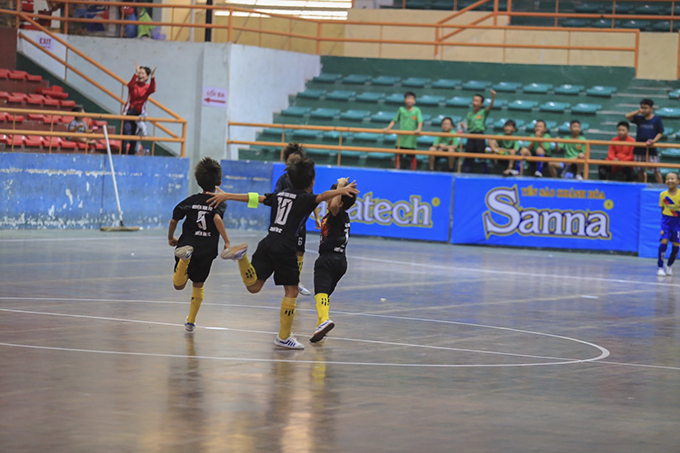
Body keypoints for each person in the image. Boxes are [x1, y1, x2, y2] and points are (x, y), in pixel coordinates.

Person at [207, 157, 360, 350]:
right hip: (285, 247)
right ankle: (283, 337)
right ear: (311, 182)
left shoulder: (280, 195)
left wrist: (228, 195)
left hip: (268, 242)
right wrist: (341, 188)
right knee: (292, 291)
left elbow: (257, 198)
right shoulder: (305, 199)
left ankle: (242, 257)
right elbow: (323, 198)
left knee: (254, 286)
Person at [167, 157, 245, 332]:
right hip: (207, 248)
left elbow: (174, 220)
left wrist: (171, 237)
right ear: (219, 182)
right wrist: (226, 241)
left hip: (187, 243)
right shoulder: (219, 202)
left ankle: (184, 260)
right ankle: (191, 320)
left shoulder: (190, 200)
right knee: (198, 283)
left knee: (178, 285)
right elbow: (216, 218)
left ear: (198, 180)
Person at [311, 177, 357, 343]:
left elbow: (334, 205)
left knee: (321, 292)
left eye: (334, 195)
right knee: (325, 296)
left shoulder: (336, 213)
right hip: (340, 261)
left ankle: (324, 321)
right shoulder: (340, 217)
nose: (329, 198)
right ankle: (320, 326)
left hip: (328, 259)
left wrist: (340, 186)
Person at [273, 143, 322, 296]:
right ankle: (289, 280)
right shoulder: (283, 181)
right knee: (286, 252)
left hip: (300, 224)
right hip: (286, 225)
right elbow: (275, 200)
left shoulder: (304, 180)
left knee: (300, 251)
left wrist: (317, 217)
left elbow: (312, 199)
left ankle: (296, 281)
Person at [625, 98, 664, 183]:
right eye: (642, 108)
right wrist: (638, 111)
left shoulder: (656, 119)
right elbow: (628, 116)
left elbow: (660, 132)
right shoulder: (639, 119)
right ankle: (642, 185)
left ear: (651, 109)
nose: (644, 110)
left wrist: (654, 141)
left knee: (656, 170)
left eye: (645, 108)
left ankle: (661, 187)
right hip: (639, 148)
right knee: (640, 170)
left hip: (651, 148)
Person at [383, 92, 423, 171]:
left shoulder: (417, 110)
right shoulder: (401, 109)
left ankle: (413, 170)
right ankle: (397, 167)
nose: (409, 100)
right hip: (401, 137)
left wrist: (419, 129)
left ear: (414, 101)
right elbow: (395, 120)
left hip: (411, 138)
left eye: (411, 99)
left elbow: (420, 121)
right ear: (404, 100)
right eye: (408, 98)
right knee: (398, 154)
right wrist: (388, 128)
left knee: (411, 154)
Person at [122, 63, 156, 155]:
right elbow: (130, 85)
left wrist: (153, 78)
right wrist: (135, 74)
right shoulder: (134, 85)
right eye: (139, 73)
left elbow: (152, 89)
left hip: (139, 113)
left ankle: (131, 154)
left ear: (146, 76)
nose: (140, 75)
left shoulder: (147, 87)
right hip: (129, 111)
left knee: (135, 136)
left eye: (142, 73)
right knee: (126, 133)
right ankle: (122, 153)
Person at [460, 89, 496, 173]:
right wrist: (464, 126)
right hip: (471, 135)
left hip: (479, 135)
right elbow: (468, 127)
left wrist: (493, 97)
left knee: (481, 154)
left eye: (477, 101)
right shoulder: (469, 114)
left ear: (481, 104)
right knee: (468, 153)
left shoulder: (483, 112)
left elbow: (490, 106)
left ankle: (485, 172)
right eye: (473, 100)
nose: (474, 102)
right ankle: (466, 172)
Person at [657, 172, 680, 277]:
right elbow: (662, 209)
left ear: (678, 181)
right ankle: (660, 267)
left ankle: (669, 266)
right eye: (667, 179)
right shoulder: (663, 195)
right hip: (666, 222)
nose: (670, 181)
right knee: (664, 242)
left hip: (678, 223)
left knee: (676, 246)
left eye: (672, 178)